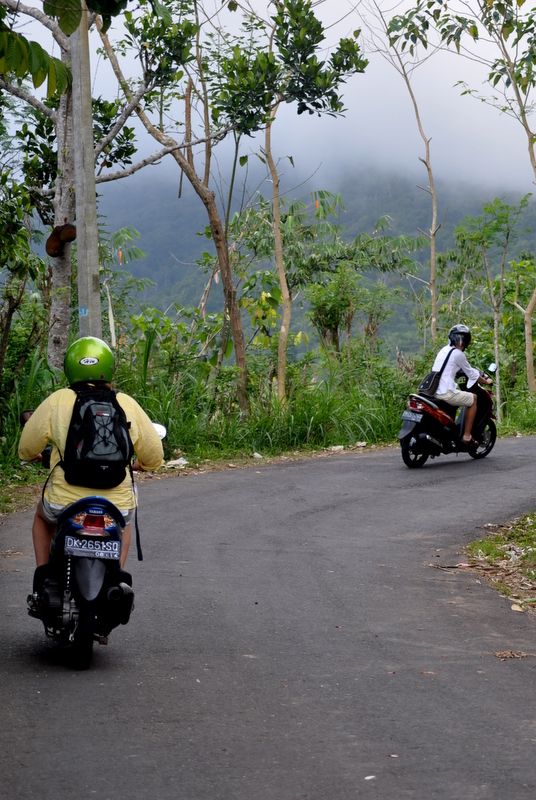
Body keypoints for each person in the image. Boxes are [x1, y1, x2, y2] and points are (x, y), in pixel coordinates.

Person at [18, 337, 164, 569]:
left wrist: (32, 457)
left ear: (69, 368)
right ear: (109, 368)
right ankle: (116, 578)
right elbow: (154, 455)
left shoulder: (57, 401)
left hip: (64, 502)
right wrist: (141, 465)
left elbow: (26, 449)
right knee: (121, 525)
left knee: (42, 519)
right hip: (116, 504)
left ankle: (43, 577)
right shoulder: (126, 403)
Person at [432, 324, 493, 446]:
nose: (460, 342)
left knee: (460, 398)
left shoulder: (444, 350)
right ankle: (466, 436)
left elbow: (451, 368)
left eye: (462, 339)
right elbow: (471, 374)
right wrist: (486, 381)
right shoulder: (458, 354)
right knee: (473, 399)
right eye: (459, 339)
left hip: (434, 391)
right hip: (446, 393)